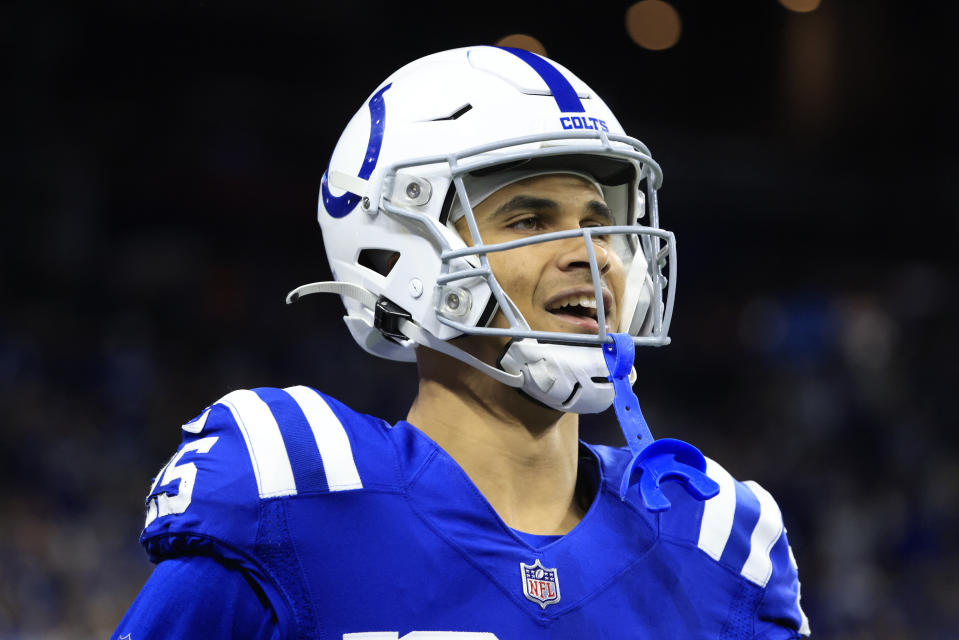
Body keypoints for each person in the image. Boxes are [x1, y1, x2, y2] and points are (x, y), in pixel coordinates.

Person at [113, 46, 810, 639]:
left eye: (601, 222)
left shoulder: (716, 544)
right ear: (399, 254)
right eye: (529, 219)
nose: (591, 254)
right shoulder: (295, 504)